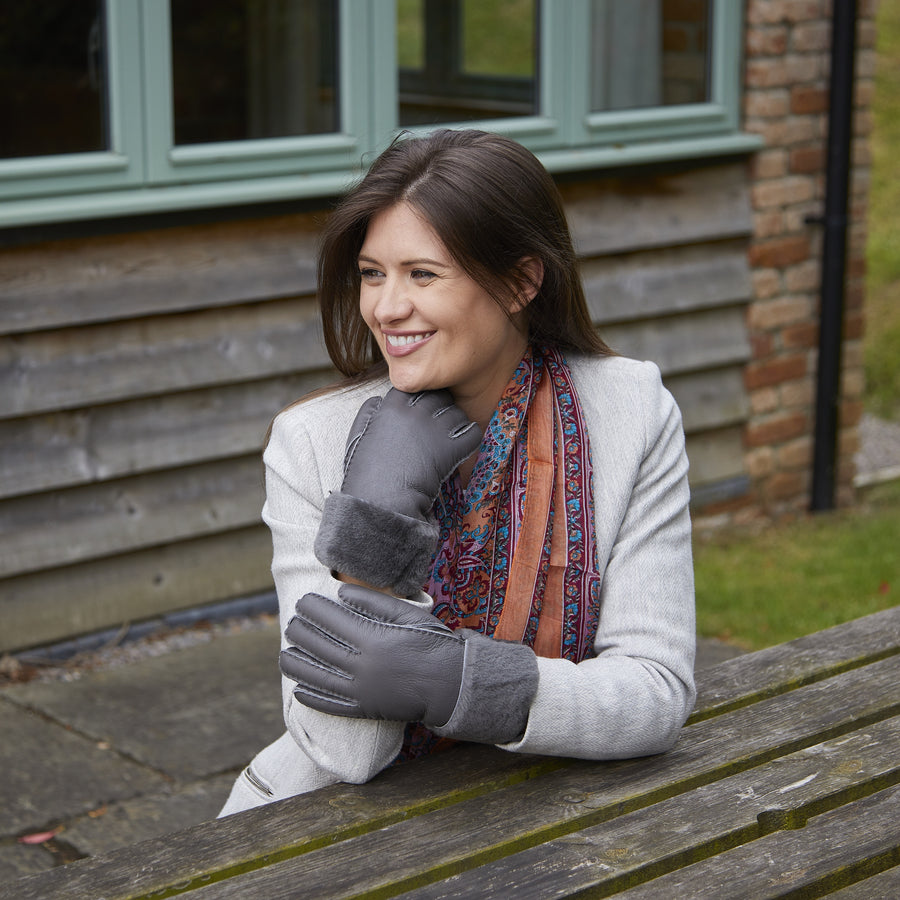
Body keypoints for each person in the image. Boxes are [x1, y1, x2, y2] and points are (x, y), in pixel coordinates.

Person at [219, 128, 696, 815]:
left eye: (423, 274)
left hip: (547, 813)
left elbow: (654, 692)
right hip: (326, 830)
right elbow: (339, 753)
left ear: (521, 281)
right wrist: (374, 525)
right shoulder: (310, 443)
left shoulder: (629, 412)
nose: (386, 308)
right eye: (372, 273)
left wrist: (465, 684)